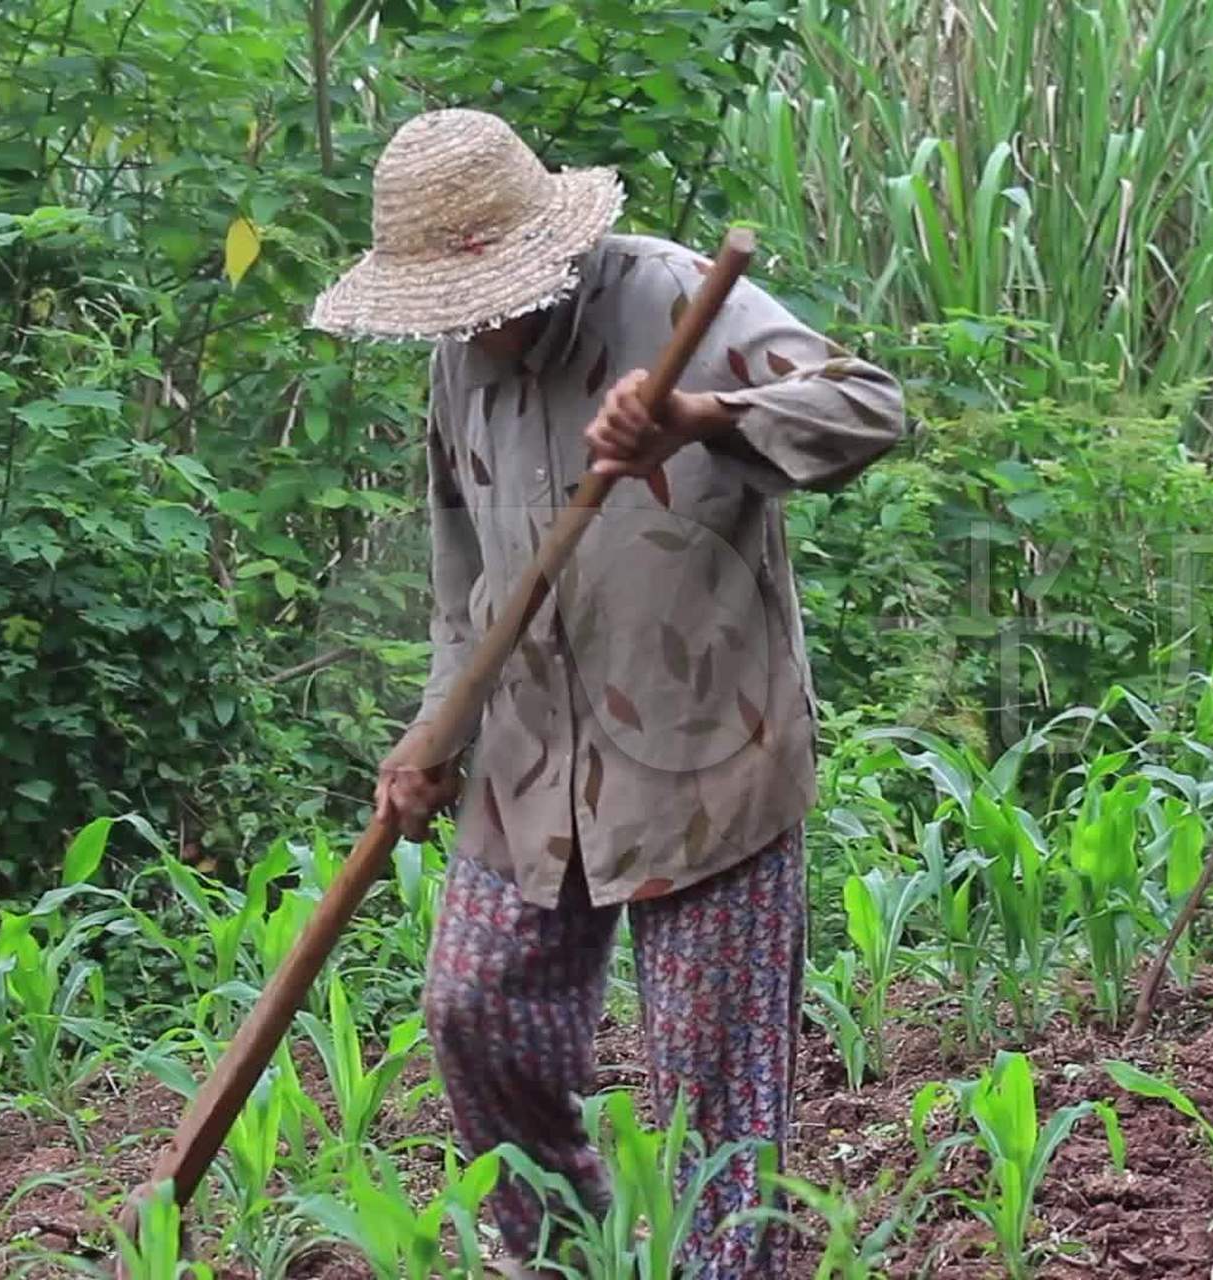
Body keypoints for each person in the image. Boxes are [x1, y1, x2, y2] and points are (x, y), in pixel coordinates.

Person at [309, 109, 905, 1279]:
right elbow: (463, 577)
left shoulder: (674, 299)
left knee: (711, 1090)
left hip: (705, 763)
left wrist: (698, 417)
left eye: (483, 300)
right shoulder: (459, 360)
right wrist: (436, 733)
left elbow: (869, 409)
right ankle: (565, 1253)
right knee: (473, 1005)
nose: (475, 328)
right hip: (530, 766)